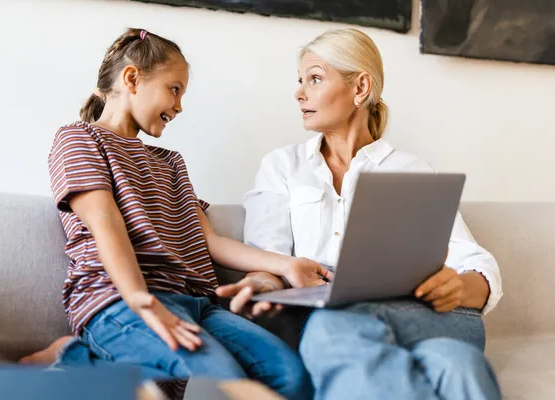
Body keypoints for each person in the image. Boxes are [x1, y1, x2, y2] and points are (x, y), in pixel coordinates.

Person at [25, 28, 326, 400]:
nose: (179, 106)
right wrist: (139, 299)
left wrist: (287, 265)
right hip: (118, 298)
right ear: (132, 78)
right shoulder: (79, 139)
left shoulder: (170, 163)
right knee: (221, 381)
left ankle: (79, 362)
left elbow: (211, 241)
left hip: (197, 303)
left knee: (291, 377)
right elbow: (105, 222)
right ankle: (76, 358)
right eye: (174, 89)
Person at [217, 28, 502, 400]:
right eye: (300, 81)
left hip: (423, 316)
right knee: (451, 362)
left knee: (333, 327)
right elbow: (270, 263)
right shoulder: (282, 167)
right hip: (328, 314)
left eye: (315, 79)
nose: (299, 92)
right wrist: (261, 284)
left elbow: (476, 264)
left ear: (360, 88)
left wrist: (459, 286)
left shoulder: (411, 170)